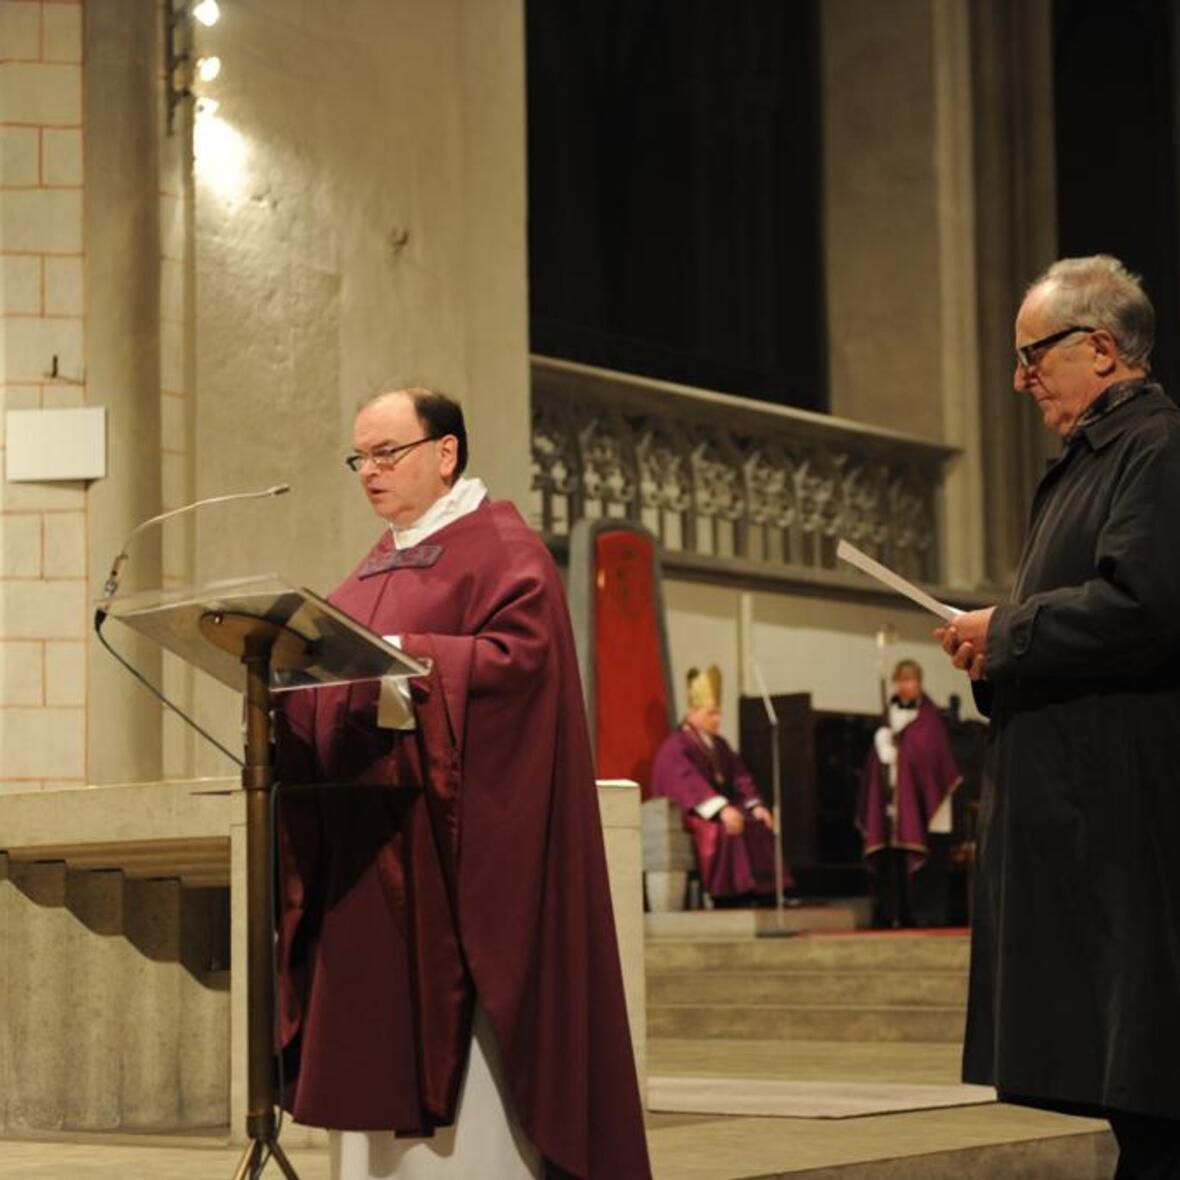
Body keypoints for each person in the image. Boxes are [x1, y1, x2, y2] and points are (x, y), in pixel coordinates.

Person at [272, 386, 651, 1180]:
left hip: (458, 864)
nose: (369, 472)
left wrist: (413, 658)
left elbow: (524, 668)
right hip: (375, 861)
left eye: (387, 452)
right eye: (359, 458)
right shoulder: (380, 560)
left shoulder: (503, 550)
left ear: (445, 453)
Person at [937, 255, 1180, 1179]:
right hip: (1083, 808)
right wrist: (992, 648)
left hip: (1124, 810)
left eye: (1032, 356)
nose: (1018, 379)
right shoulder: (1089, 459)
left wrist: (1013, 629)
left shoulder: (1154, 449)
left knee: (1151, 1078)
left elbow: (1146, 608)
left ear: (1103, 349)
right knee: (1132, 1094)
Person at [649, 665, 793, 906]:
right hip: (694, 813)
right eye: (711, 713)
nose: (718, 719)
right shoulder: (676, 747)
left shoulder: (720, 745)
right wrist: (721, 809)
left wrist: (755, 804)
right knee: (731, 826)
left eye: (719, 713)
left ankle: (767, 892)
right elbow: (686, 782)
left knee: (757, 822)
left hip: (721, 808)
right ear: (692, 712)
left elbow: (739, 777)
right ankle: (731, 895)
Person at [856, 658, 961, 928]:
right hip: (891, 805)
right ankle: (891, 914)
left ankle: (925, 916)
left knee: (924, 866)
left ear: (920, 683)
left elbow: (931, 757)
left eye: (911, 680)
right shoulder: (885, 718)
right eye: (901, 680)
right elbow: (873, 767)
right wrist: (882, 754)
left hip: (926, 808)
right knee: (891, 864)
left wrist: (902, 754)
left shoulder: (930, 719)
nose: (905, 685)